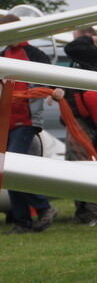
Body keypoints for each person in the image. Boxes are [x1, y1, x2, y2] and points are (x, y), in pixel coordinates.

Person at [1, 14, 58, 234]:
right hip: (6, 121)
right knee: (9, 171)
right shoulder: (3, 54)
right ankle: (22, 221)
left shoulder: (34, 54)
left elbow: (53, 78)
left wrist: (55, 92)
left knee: (12, 166)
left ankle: (44, 208)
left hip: (26, 121)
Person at [63, 27, 97, 225]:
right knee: (76, 163)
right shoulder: (92, 57)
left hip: (85, 121)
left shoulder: (95, 54)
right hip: (82, 119)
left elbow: (72, 48)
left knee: (83, 165)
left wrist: (85, 39)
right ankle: (83, 212)